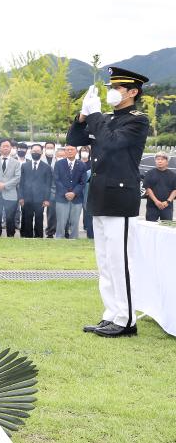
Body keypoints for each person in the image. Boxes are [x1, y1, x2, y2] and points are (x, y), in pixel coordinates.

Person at [69, 66, 150, 338]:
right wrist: (83, 116)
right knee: (104, 261)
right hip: (100, 196)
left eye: (117, 88)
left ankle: (127, 320)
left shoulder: (137, 120)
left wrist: (94, 116)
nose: (112, 92)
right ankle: (111, 314)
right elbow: (75, 139)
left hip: (120, 197)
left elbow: (112, 143)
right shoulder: (104, 119)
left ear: (132, 92)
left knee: (120, 261)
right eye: (111, 88)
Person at [53, 145, 88, 239]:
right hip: (62, 197)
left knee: (75, 222)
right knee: (61, 222)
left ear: (76, 151)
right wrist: (65, 192)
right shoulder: (59, 164)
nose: (69, 151)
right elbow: (57, 180)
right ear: (65, 152)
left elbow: (82, 182)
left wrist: (74, 193)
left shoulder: (82, 165)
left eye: (72, 149)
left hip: (76, 198)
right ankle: (59, 239)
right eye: (67, 150)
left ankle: (74, 240)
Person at [0, 138, 21, 237]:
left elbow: (17, 178)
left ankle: (10, 235)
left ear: (11, 148)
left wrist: (4, 185)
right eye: (4, 146)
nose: (6, 148)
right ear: (0, 148)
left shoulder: (16, 163)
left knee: (10, 217)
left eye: (8, 146)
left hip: (10, 194)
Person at [18, 142, 52, 238]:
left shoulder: (47, 167)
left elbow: (48, 184)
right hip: (26, 199)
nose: (35, 153)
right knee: (27, 219)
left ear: (42, 152)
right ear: (30, 152)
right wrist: (20, 197)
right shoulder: (25, 166)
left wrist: (46, 199)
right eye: (33, 151)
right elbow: (21, 183)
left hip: (40, 199)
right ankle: (27, 237)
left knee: (39, 219)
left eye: (37, 151)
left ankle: (38, 237)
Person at [143, 152, 176, 222]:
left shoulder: (173, 175)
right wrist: (156, 201)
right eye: (158, 159)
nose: (159, 161)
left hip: (167, 206)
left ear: (167, 162)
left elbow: (174, 190)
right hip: (152, 206)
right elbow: (148, 188)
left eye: (162, 159)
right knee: (150, 226)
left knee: (166, 227)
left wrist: (167, 201)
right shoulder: (150, 173)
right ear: (155, 161)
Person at [43, 141, 58, 237]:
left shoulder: (57, 160)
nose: (49, 149)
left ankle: (50, 231)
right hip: (40, 189)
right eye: (47, 147)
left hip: (53, 190)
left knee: (52, 212)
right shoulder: (40, 159)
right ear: (44, 149)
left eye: (51, 147)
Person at [80, 146, 95, 238]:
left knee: (87, 208)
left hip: (88, 188)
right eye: (82, 150)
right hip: (78, 187)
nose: (84, 152)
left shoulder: (91, 163)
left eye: (86, 150)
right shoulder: (77, 162)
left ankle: (87, 226)